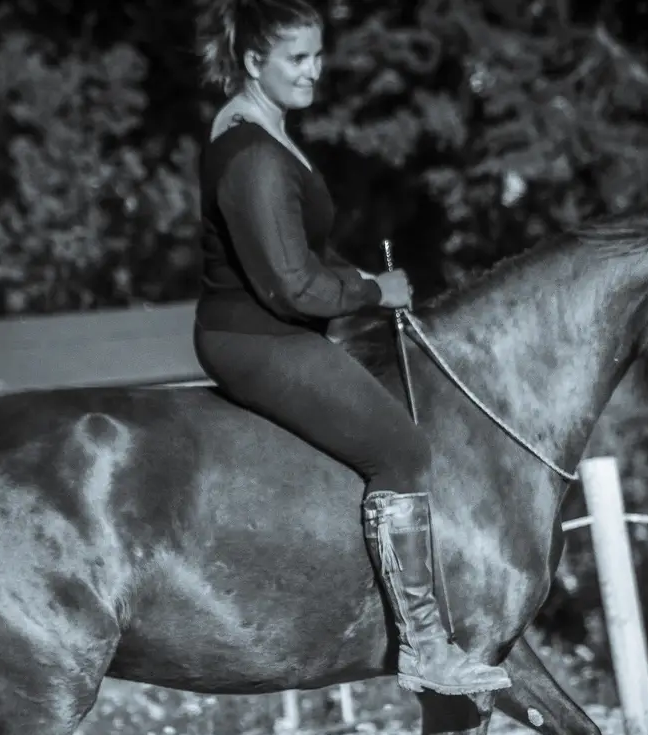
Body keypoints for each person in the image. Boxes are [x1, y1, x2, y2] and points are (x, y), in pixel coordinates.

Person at [191, 0, 510, 696]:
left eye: (317, 54)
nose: (314, 71)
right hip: (259, 337)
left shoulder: (266, 131)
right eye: (297, 59)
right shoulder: (252, 153)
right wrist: (373, 292)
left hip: (272, 326)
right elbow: (292, 287)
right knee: (402, 450)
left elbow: (299, 256)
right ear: (253, 61)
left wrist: (363, 280)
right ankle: (426, 648)